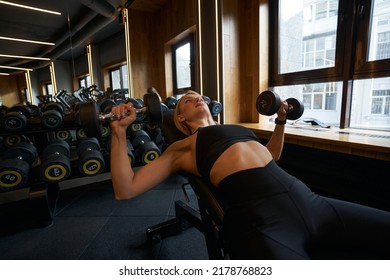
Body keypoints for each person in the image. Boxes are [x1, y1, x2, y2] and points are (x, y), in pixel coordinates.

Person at [109, 90, 390, 259]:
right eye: (186, 100)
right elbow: (126, 188)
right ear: (179, 118)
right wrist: (119, 132)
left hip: (308, 200)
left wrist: (280, 120)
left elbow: (272, 155)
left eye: (197, 95)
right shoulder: (182, 147)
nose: (195, 98)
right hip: (264, 219)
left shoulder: (239, 129)